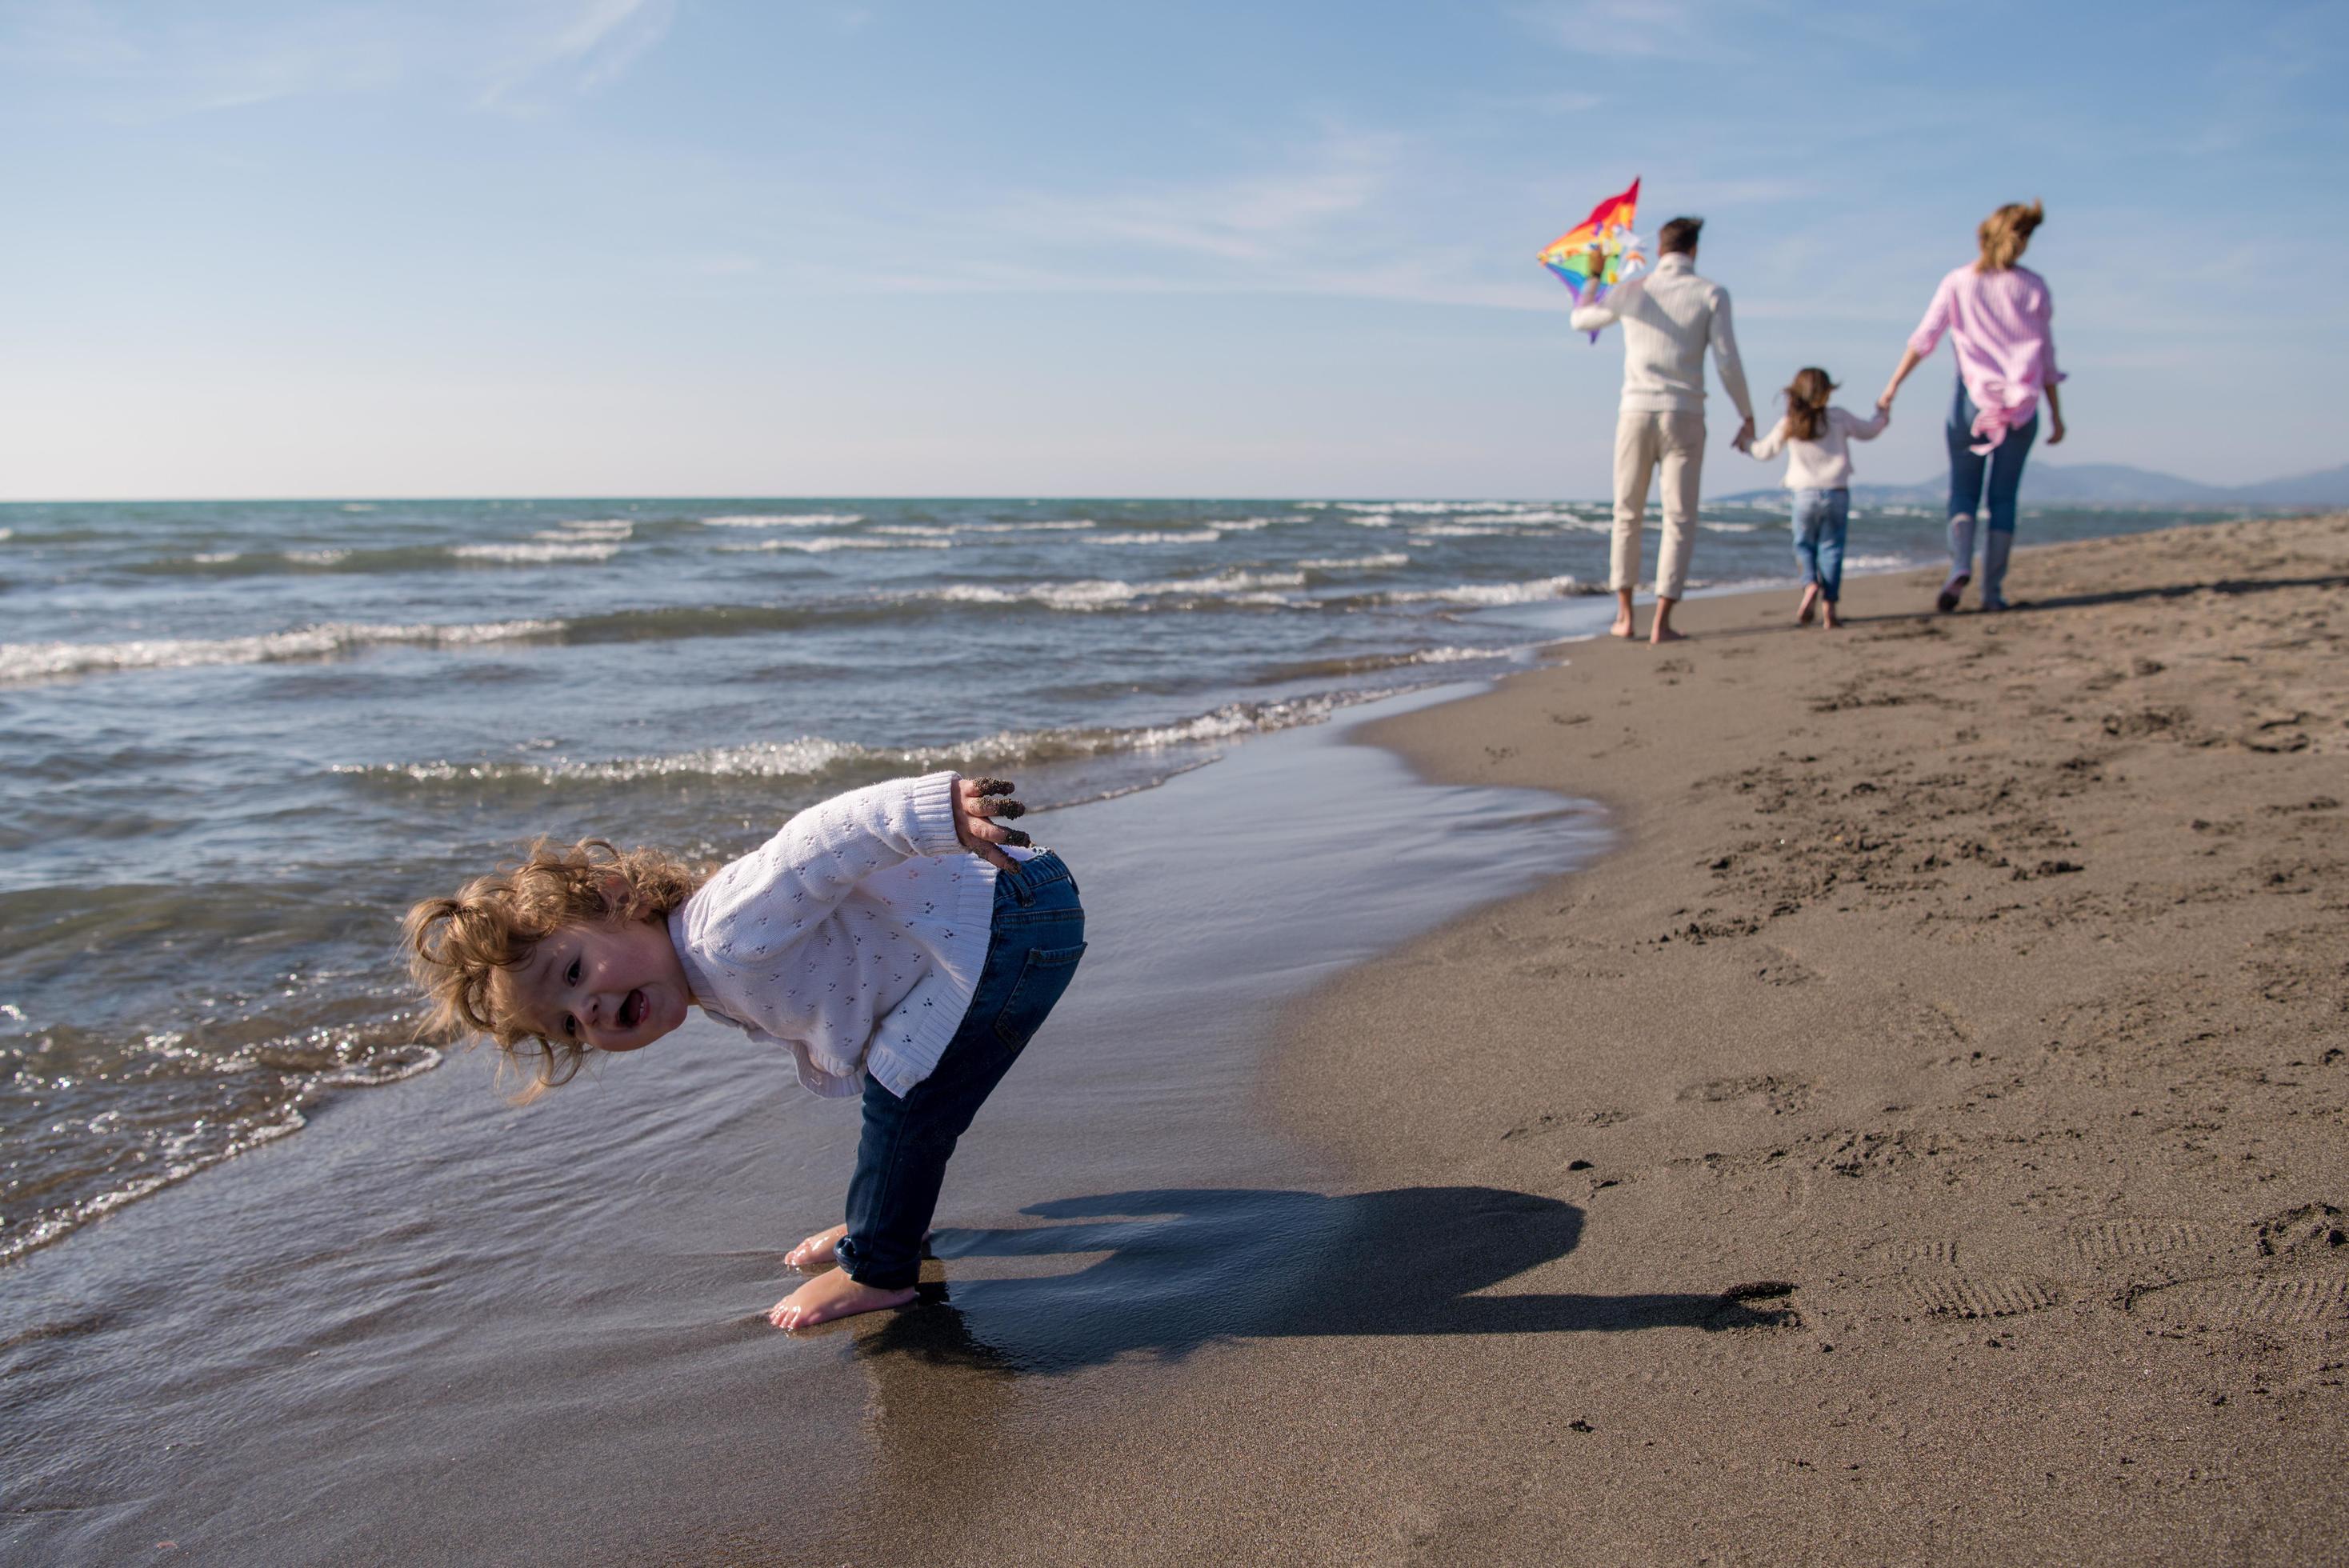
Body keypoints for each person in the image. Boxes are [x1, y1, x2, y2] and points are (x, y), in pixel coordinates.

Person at [402, 773, 1086, 1333]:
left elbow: (818, 843)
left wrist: (937, 812)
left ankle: (878, 1268)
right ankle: (882, 1216)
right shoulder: (706, 972)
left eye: (575, 974)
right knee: (904, 1104)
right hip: (1000, 917)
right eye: (570, 1025)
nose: (589, 1012)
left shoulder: (721, 932)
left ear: (619, 899)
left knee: (905, 1102)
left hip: (1009, 921)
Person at [1571, 215, 1757, 644]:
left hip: (1635, 410)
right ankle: (1662, 621)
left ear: (1659, 250)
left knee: (1627, 513)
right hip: (1685, 412)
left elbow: (1581, 320)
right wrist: (1746, 413)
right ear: (1693, 250)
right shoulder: (1711, 293)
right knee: (1679, 517)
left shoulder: (1632, 289)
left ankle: (1623, 616)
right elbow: (1727, 362)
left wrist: (1595, 276)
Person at [1876, 200, 2067, 613]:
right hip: (2022, 405)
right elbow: (2047, 360)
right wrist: (2057, 414)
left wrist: (1893, 385)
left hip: (1971, 401)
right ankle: (1993, 592)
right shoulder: (2033, 287)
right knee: (2003, 498)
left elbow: (1924, 339)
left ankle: (1960, 565)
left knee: (1963, 491)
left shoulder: (1958, 282)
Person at [1747, 366, 1888, 630]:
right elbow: (1869, 431)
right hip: (1836, 492)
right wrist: (1882, 414)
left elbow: (1764, 451)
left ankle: (1810, 583)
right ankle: (1829, 609)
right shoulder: (1838, 418)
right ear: (1827, 392)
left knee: (1804, 546)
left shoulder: (1791, 421)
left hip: (1804, 495)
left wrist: (1746, 443)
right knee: (1832, 549)